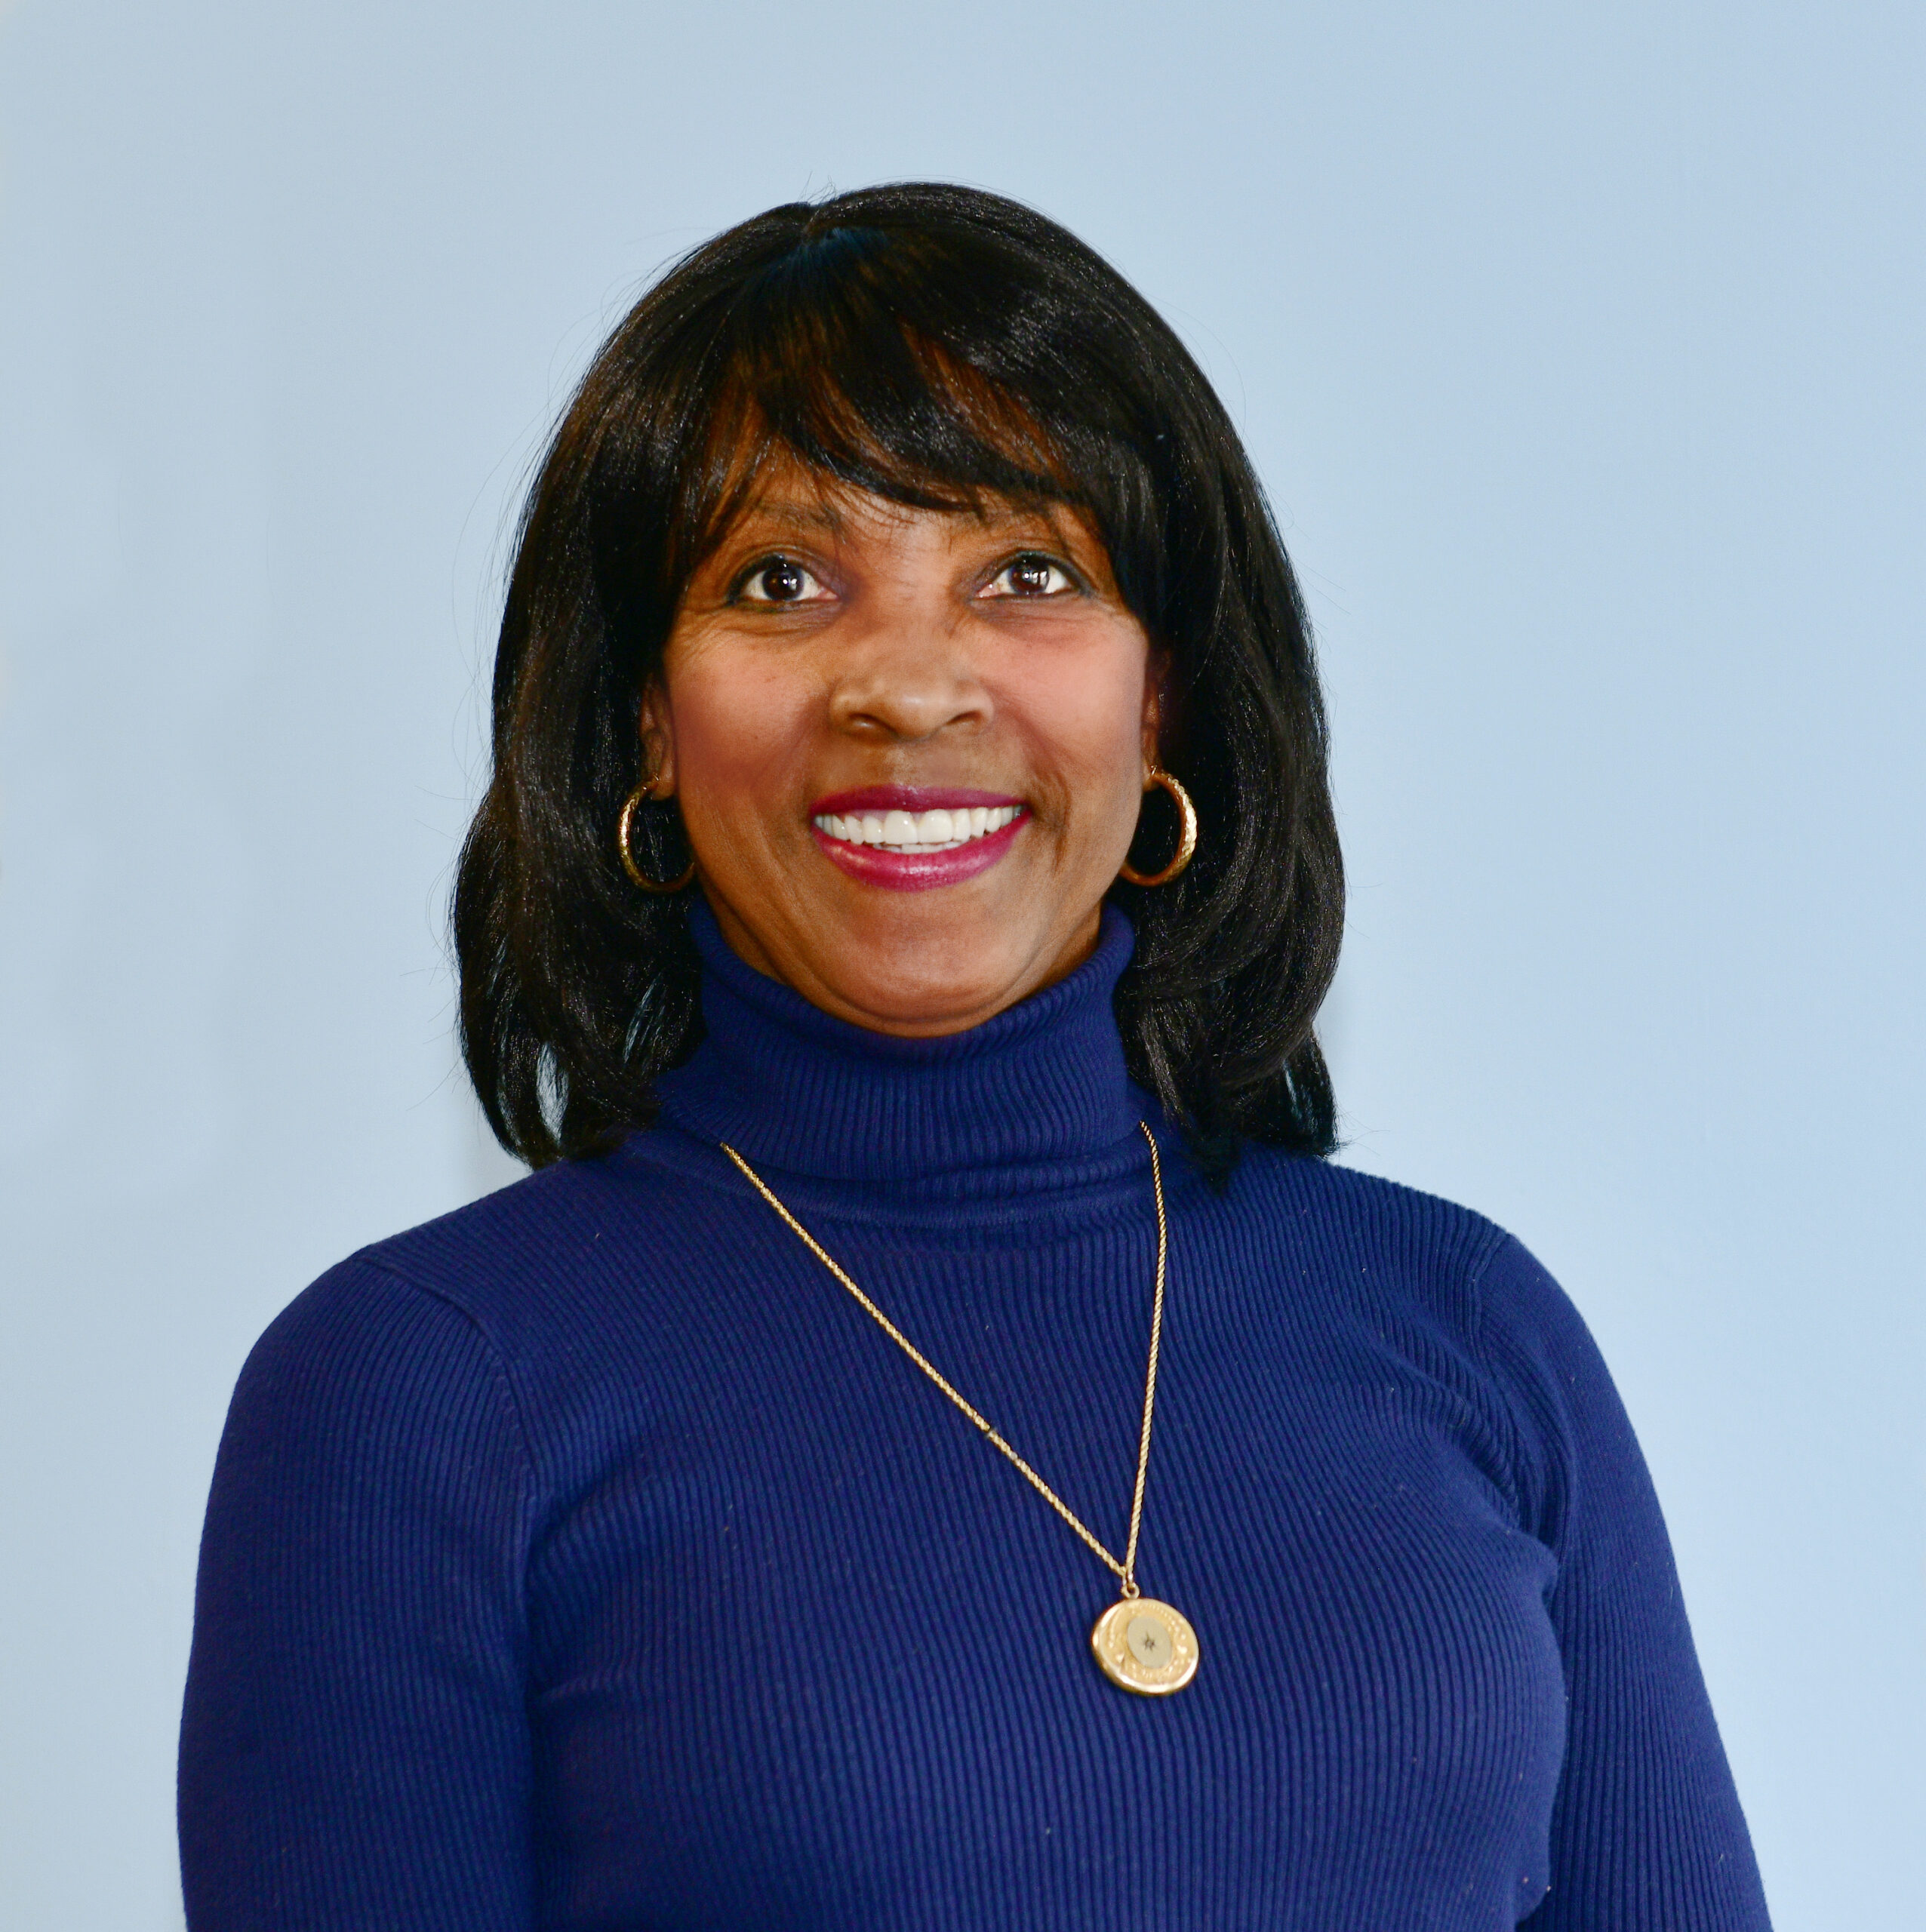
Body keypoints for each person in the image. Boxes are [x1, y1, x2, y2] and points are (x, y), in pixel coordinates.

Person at [177, 183, 1771, 1930]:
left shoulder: (1465, 1322)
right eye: (780, 579)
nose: (912, 685)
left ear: (1159, 694)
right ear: (645, 713)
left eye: (1029, 570)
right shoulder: (423, 1390)